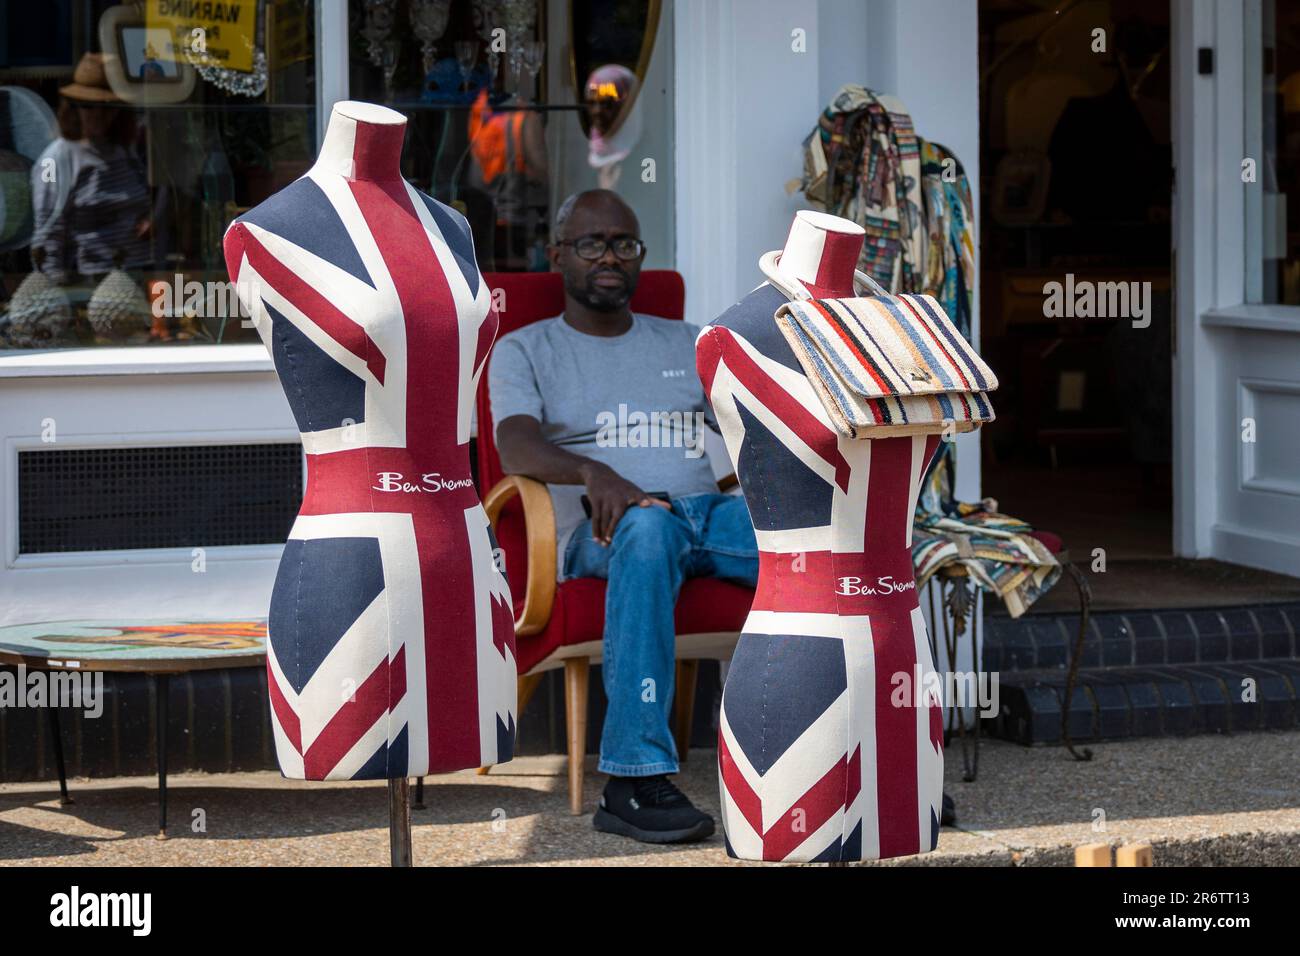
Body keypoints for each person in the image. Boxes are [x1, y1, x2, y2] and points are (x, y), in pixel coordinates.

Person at [489, 189, 758, 844]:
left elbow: (756, 423)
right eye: (591, 243)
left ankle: (865, 750)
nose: (609, 256)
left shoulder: (690, 343)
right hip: (606, 530)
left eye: (624, 244)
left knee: (828, 542)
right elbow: (514, 445)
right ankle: (633, 781)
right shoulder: (526, 350)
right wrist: (593, 472)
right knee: (648, 525)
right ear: (558, 255)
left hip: (706, 514)